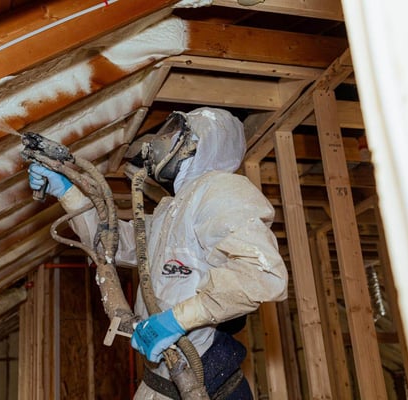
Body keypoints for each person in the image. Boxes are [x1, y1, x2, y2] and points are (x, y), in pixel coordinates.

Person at [28, 107, 288, 399]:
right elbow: (114, 245)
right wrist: (67, 193)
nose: (159, 141)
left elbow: (262, 274)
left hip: (207, 384)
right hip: (161, 382)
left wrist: (176, 320)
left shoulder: (221, 189)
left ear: (200, 143)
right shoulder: (172, 208)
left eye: (173, 133)